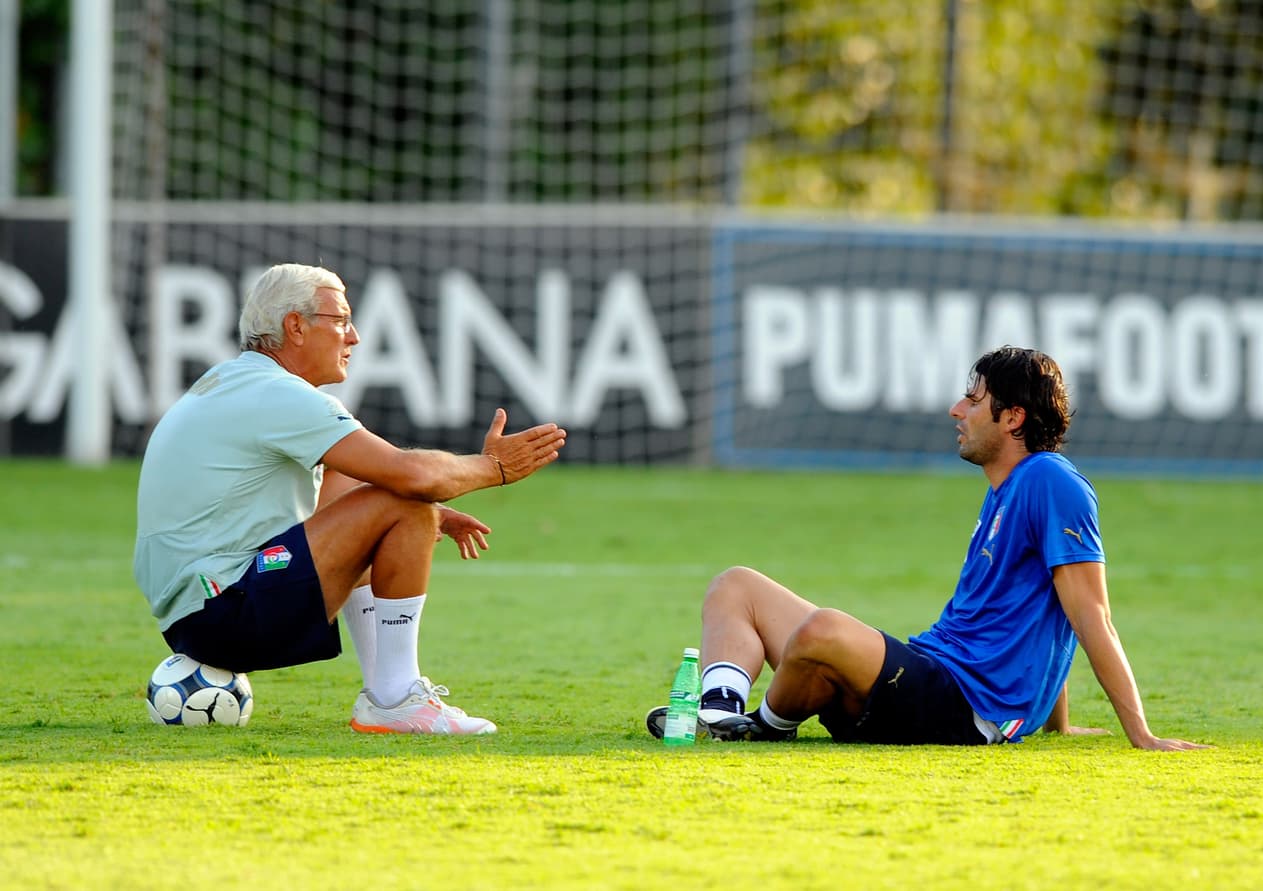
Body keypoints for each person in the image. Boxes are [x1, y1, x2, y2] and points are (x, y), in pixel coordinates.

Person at [646, 346, 1208, 751]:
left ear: (1013, 418)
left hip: (963, 706)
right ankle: (721, 705)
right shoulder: (1008, 489)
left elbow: (1089, 613)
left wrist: (1142, 733)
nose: (956, 411)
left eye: (973, 400)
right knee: (736, 584)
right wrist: (1057, 722)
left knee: (824, 631)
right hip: (928, 675)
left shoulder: (1052, 482)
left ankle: (762, 727)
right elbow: (1040, 612)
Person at [135, 262, 567, 735]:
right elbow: (414, 476)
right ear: (294, 326)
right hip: (226, 611)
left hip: (195, 618)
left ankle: (387, 693)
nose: (354, 336)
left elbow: (340, 494)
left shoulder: (235, 381)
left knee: (394, 501)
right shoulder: (277, 394)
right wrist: (494, 468)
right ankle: (395, 697)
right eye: (340, 320)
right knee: (405, 500)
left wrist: (427, 517)